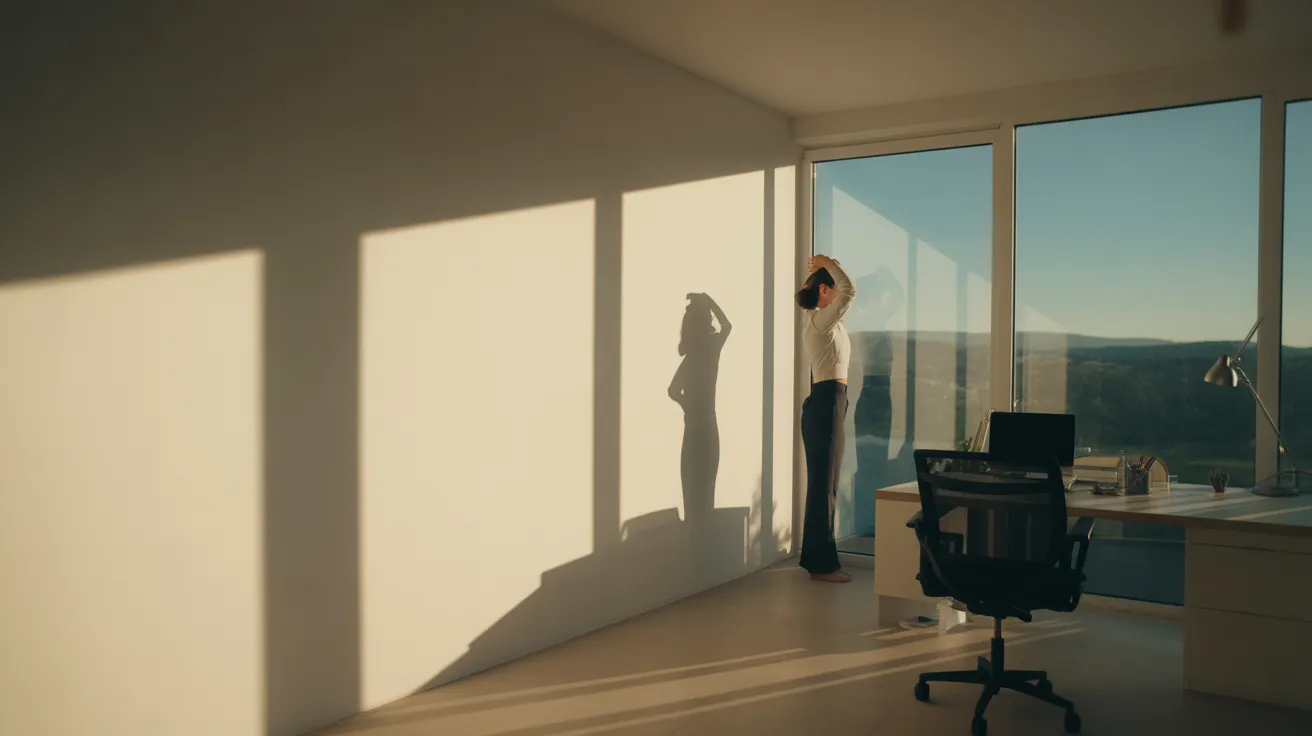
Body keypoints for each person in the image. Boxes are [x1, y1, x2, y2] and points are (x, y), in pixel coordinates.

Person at [796, 254, 856, 583]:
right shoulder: (820, 320)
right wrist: (829, 264)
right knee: (824, 488)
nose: (837, 298)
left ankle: (818, 561)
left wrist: (829, 268)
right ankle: (821, 566)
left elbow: (844, 294)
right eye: (830, 290)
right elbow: (849, 291)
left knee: (827, 485)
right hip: (826, 402)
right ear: (824, 290)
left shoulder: (827, 323)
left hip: (833, 401)